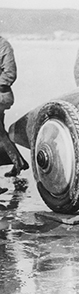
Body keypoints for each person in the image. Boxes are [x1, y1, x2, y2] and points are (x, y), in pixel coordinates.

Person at [0, 35, 28, 185]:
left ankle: (19, 163)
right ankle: (19, 162)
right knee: (1, 133)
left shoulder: (3, 45)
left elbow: (9, 74)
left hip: (0, 95)